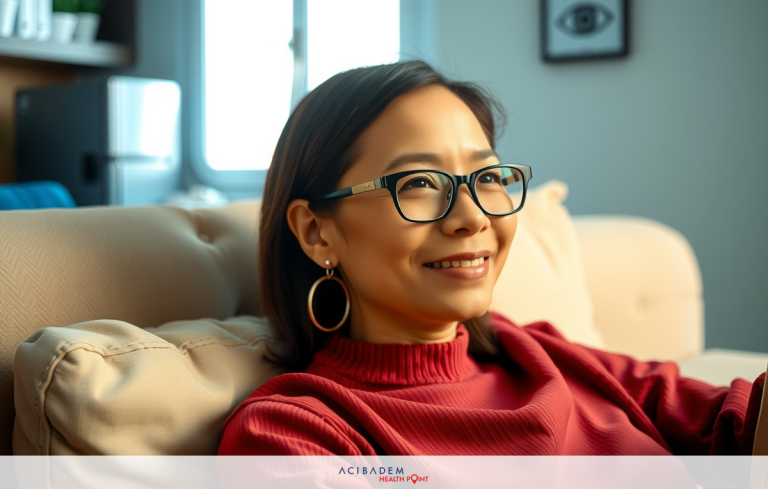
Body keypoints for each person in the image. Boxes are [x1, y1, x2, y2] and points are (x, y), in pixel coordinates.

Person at [218, 61, 764, 456]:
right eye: (421, 182)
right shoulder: (297, 436)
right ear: (317, 232)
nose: (472, 217)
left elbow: (738, 421)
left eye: (488, 177)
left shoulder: (537, 352)